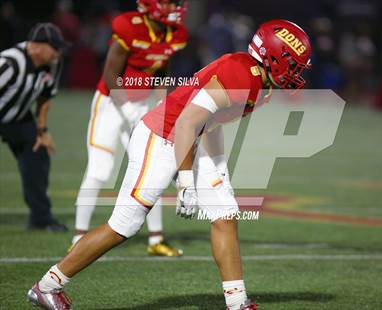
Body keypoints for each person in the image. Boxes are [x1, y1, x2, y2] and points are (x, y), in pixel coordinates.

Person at [27, 20, 312, 310]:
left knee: (225, 213)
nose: (297, 72)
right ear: (274, 56)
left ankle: (237, 303)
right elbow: (187, 122)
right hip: (161, 136)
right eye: (294, 63)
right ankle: (47, 286)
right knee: (124, 225)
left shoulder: (258, 83)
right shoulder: (242, 75)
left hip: (189, 137)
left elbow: (209, 123)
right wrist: (186, 181)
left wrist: (219, 166)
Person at [71, 0, 188, 256]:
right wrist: (126, 109)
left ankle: (155, 239)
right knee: (100, 170)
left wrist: (162, 105)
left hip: (141, 104)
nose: (176, 7)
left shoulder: (175, 34)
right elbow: (111, 75)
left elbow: (162, 71)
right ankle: (78, 236)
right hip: (111, 104)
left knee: (152, 168)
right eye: (170, 3)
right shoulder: (130, 26)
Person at [0, 23, 68, 232]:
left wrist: (42, 131)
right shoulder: (10, 63)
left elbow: (45, 98)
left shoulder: (53, 64)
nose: (58, 52)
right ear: (37, 46)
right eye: (54, 47)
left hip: (18, 118)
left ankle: (41, 218)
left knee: (38, 154)